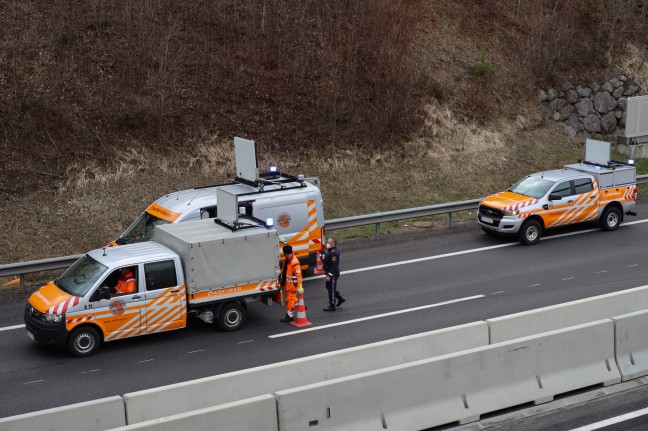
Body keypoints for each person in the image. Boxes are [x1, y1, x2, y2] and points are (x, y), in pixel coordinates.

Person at [279, 245, 303, 322]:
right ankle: (299, 306)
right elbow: (284, 271)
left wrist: (300, 286)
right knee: (289, 299)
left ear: (285, 252)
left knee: (289, 301)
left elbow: (299, 275)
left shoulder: (295, 262)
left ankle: (289, 316)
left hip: (293, 285)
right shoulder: (286, 260)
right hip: (287, 284)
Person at [323, 237, 344, 311]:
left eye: (328, 242)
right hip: (329, 272)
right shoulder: (330, 250)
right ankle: (339, 298)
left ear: (333, 244)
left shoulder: (333, 253)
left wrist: (329, 275)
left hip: (332, 273)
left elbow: (334, 266)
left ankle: (332, 305)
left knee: (331, 288)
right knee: (329, 287)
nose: (327, 244)